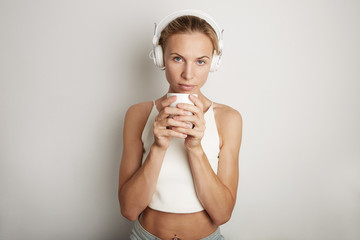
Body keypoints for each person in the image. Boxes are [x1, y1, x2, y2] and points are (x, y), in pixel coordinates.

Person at [118, 9, 243, 240]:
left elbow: (223, 213)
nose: (188, 74)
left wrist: (195, 148)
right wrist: (158, 147)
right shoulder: (138, 114)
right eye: (177, 58)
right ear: (160, 58)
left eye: (200, 62)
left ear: (213, 63)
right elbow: (128, 209)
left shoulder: (228, 119)